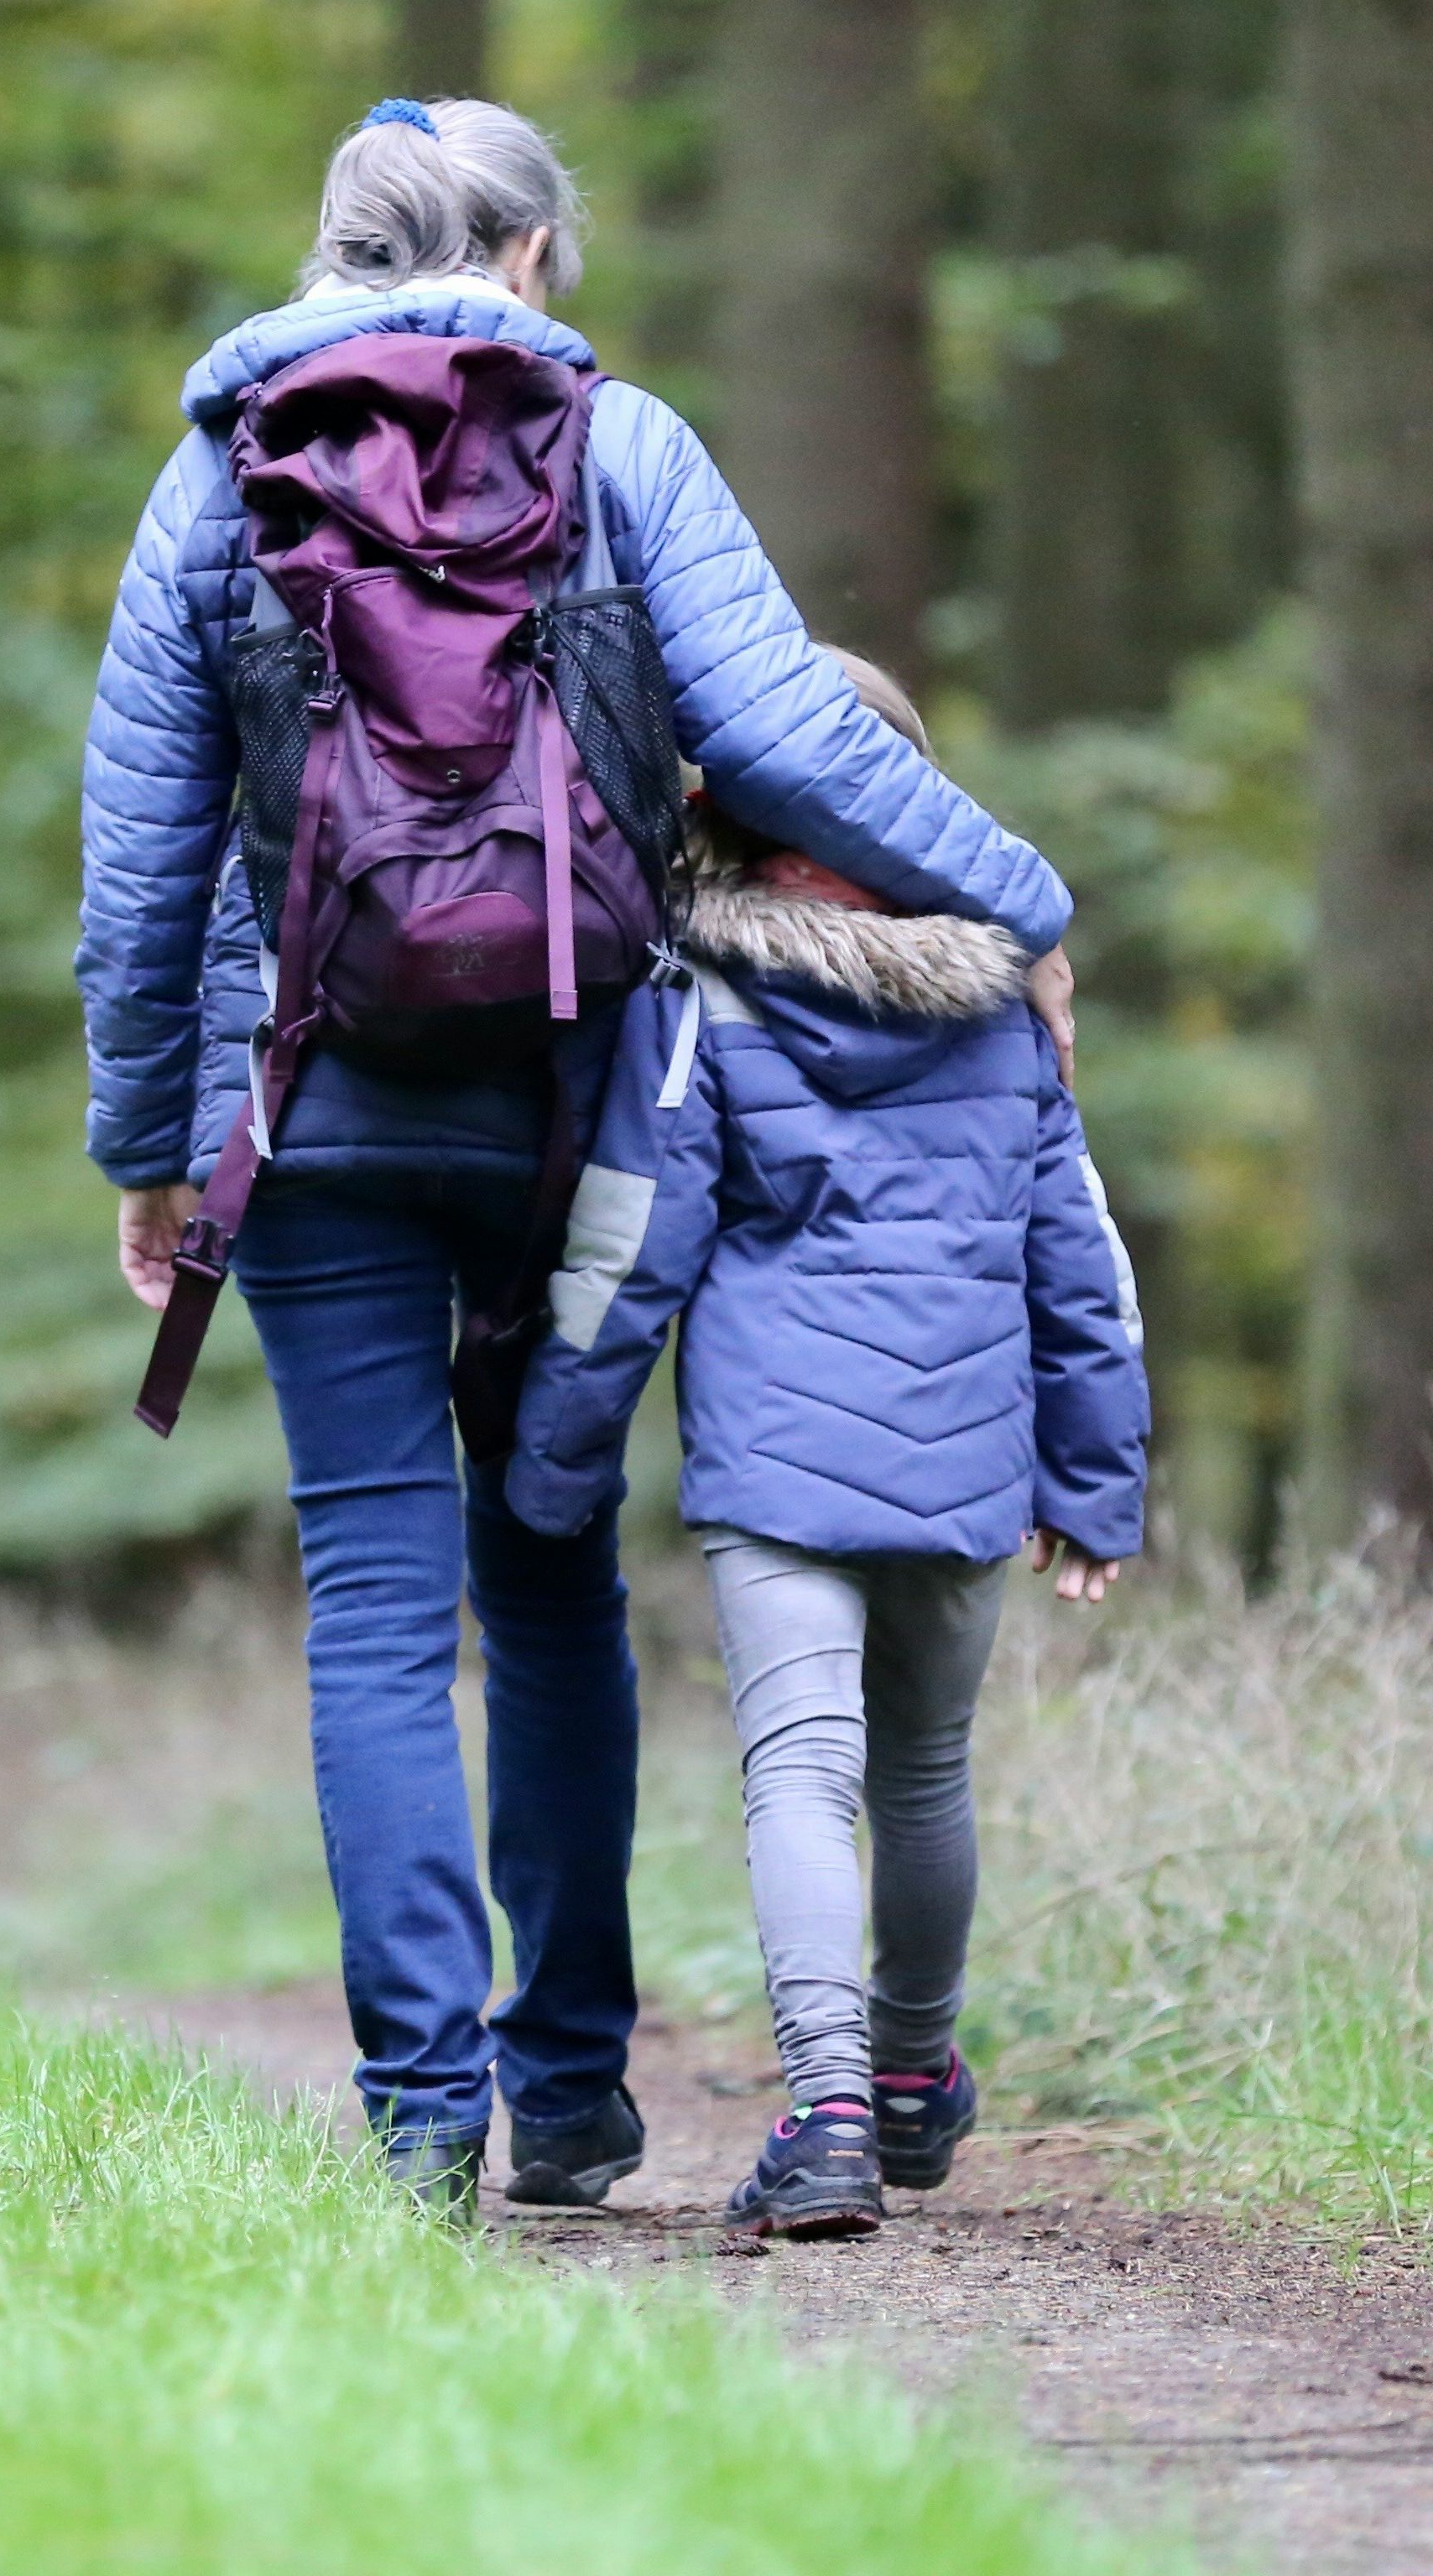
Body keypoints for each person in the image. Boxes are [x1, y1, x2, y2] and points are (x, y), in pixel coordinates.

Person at [76, 96, 1078, 2214]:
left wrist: (150, 1144)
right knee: (548, 1577)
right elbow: (795, 735)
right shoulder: (623, 447)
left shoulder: (212, 478)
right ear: (530, 253)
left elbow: (143, 857)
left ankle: (424, 2116)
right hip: (581, 1102)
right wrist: (1023, 903)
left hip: (315, 1099)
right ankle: (578, 2092)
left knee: (371, 1594)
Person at [505, 653, 1149, 2235]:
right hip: (964, 1447)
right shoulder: (1005, 1003)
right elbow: (1081, 1262)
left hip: (780, 1466)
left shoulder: (699, 993)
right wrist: (1094, 1475)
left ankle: (832, 2113)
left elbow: (627, 1242)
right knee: (924, 1768)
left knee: (801, 1772)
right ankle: (918, 2074)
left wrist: (554, 1457)